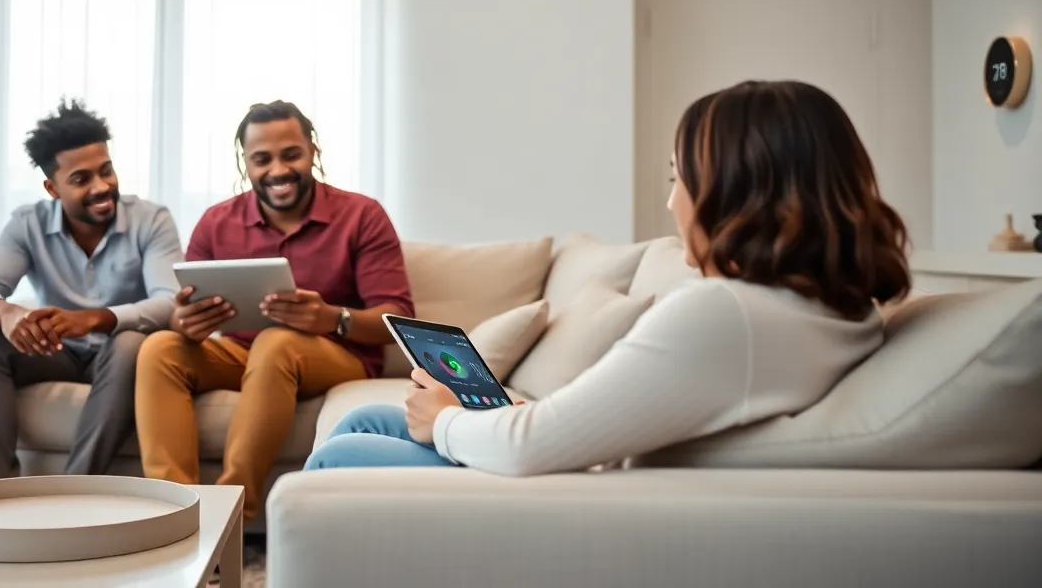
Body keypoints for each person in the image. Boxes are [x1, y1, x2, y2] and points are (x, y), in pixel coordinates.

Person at [304, 80, 912, 474]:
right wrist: (514, 410)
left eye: (679, 179)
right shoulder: (840, 309)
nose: (671, 202)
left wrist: (445, 420)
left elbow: (528, 447)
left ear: (737, 192)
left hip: (568, 495)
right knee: (366, 421)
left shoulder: (724, 312)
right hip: (585, 464)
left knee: (345, 452)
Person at [134, 100, 414, 524]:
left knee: (277, 341)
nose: (278, 170)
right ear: (245, 162)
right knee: (160, 347)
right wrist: (187, 323)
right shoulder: (216, 222)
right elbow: (181, 311)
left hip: (336, 357)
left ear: (313, 151)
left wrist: (332, 318)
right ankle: (174, 516)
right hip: (245, 354)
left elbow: (398, 320)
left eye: (291, 154)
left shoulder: (362, 215)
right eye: (262, 159)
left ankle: (228, 516)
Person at [0, 99, 184, 479]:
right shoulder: (27, 224)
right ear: (53, 188)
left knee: (131, 343)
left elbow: (169, 302)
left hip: (119, 357)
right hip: (54, 352)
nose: (102, 187)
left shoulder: (151, 220)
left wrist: (93, 319)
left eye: (106, 171)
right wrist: (9, 314)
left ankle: (74, 486)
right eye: (81, 180)